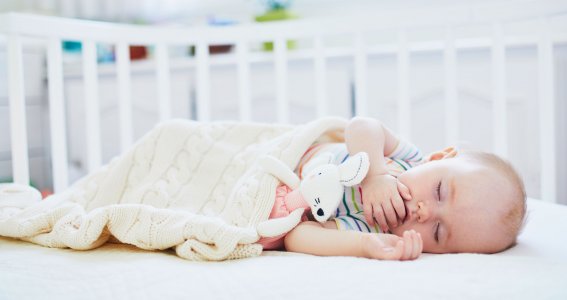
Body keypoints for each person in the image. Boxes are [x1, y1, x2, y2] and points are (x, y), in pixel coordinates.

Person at [283, 116, 527, 261]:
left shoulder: (373, 225)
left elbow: (296, 236)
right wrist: (374, 175)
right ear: (438, 158)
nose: (425, 213)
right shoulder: (409, 160)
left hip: (286, 185)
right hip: (295, 152)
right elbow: (361, 126)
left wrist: (363, 245)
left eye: (438, 232)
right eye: (439, 191)